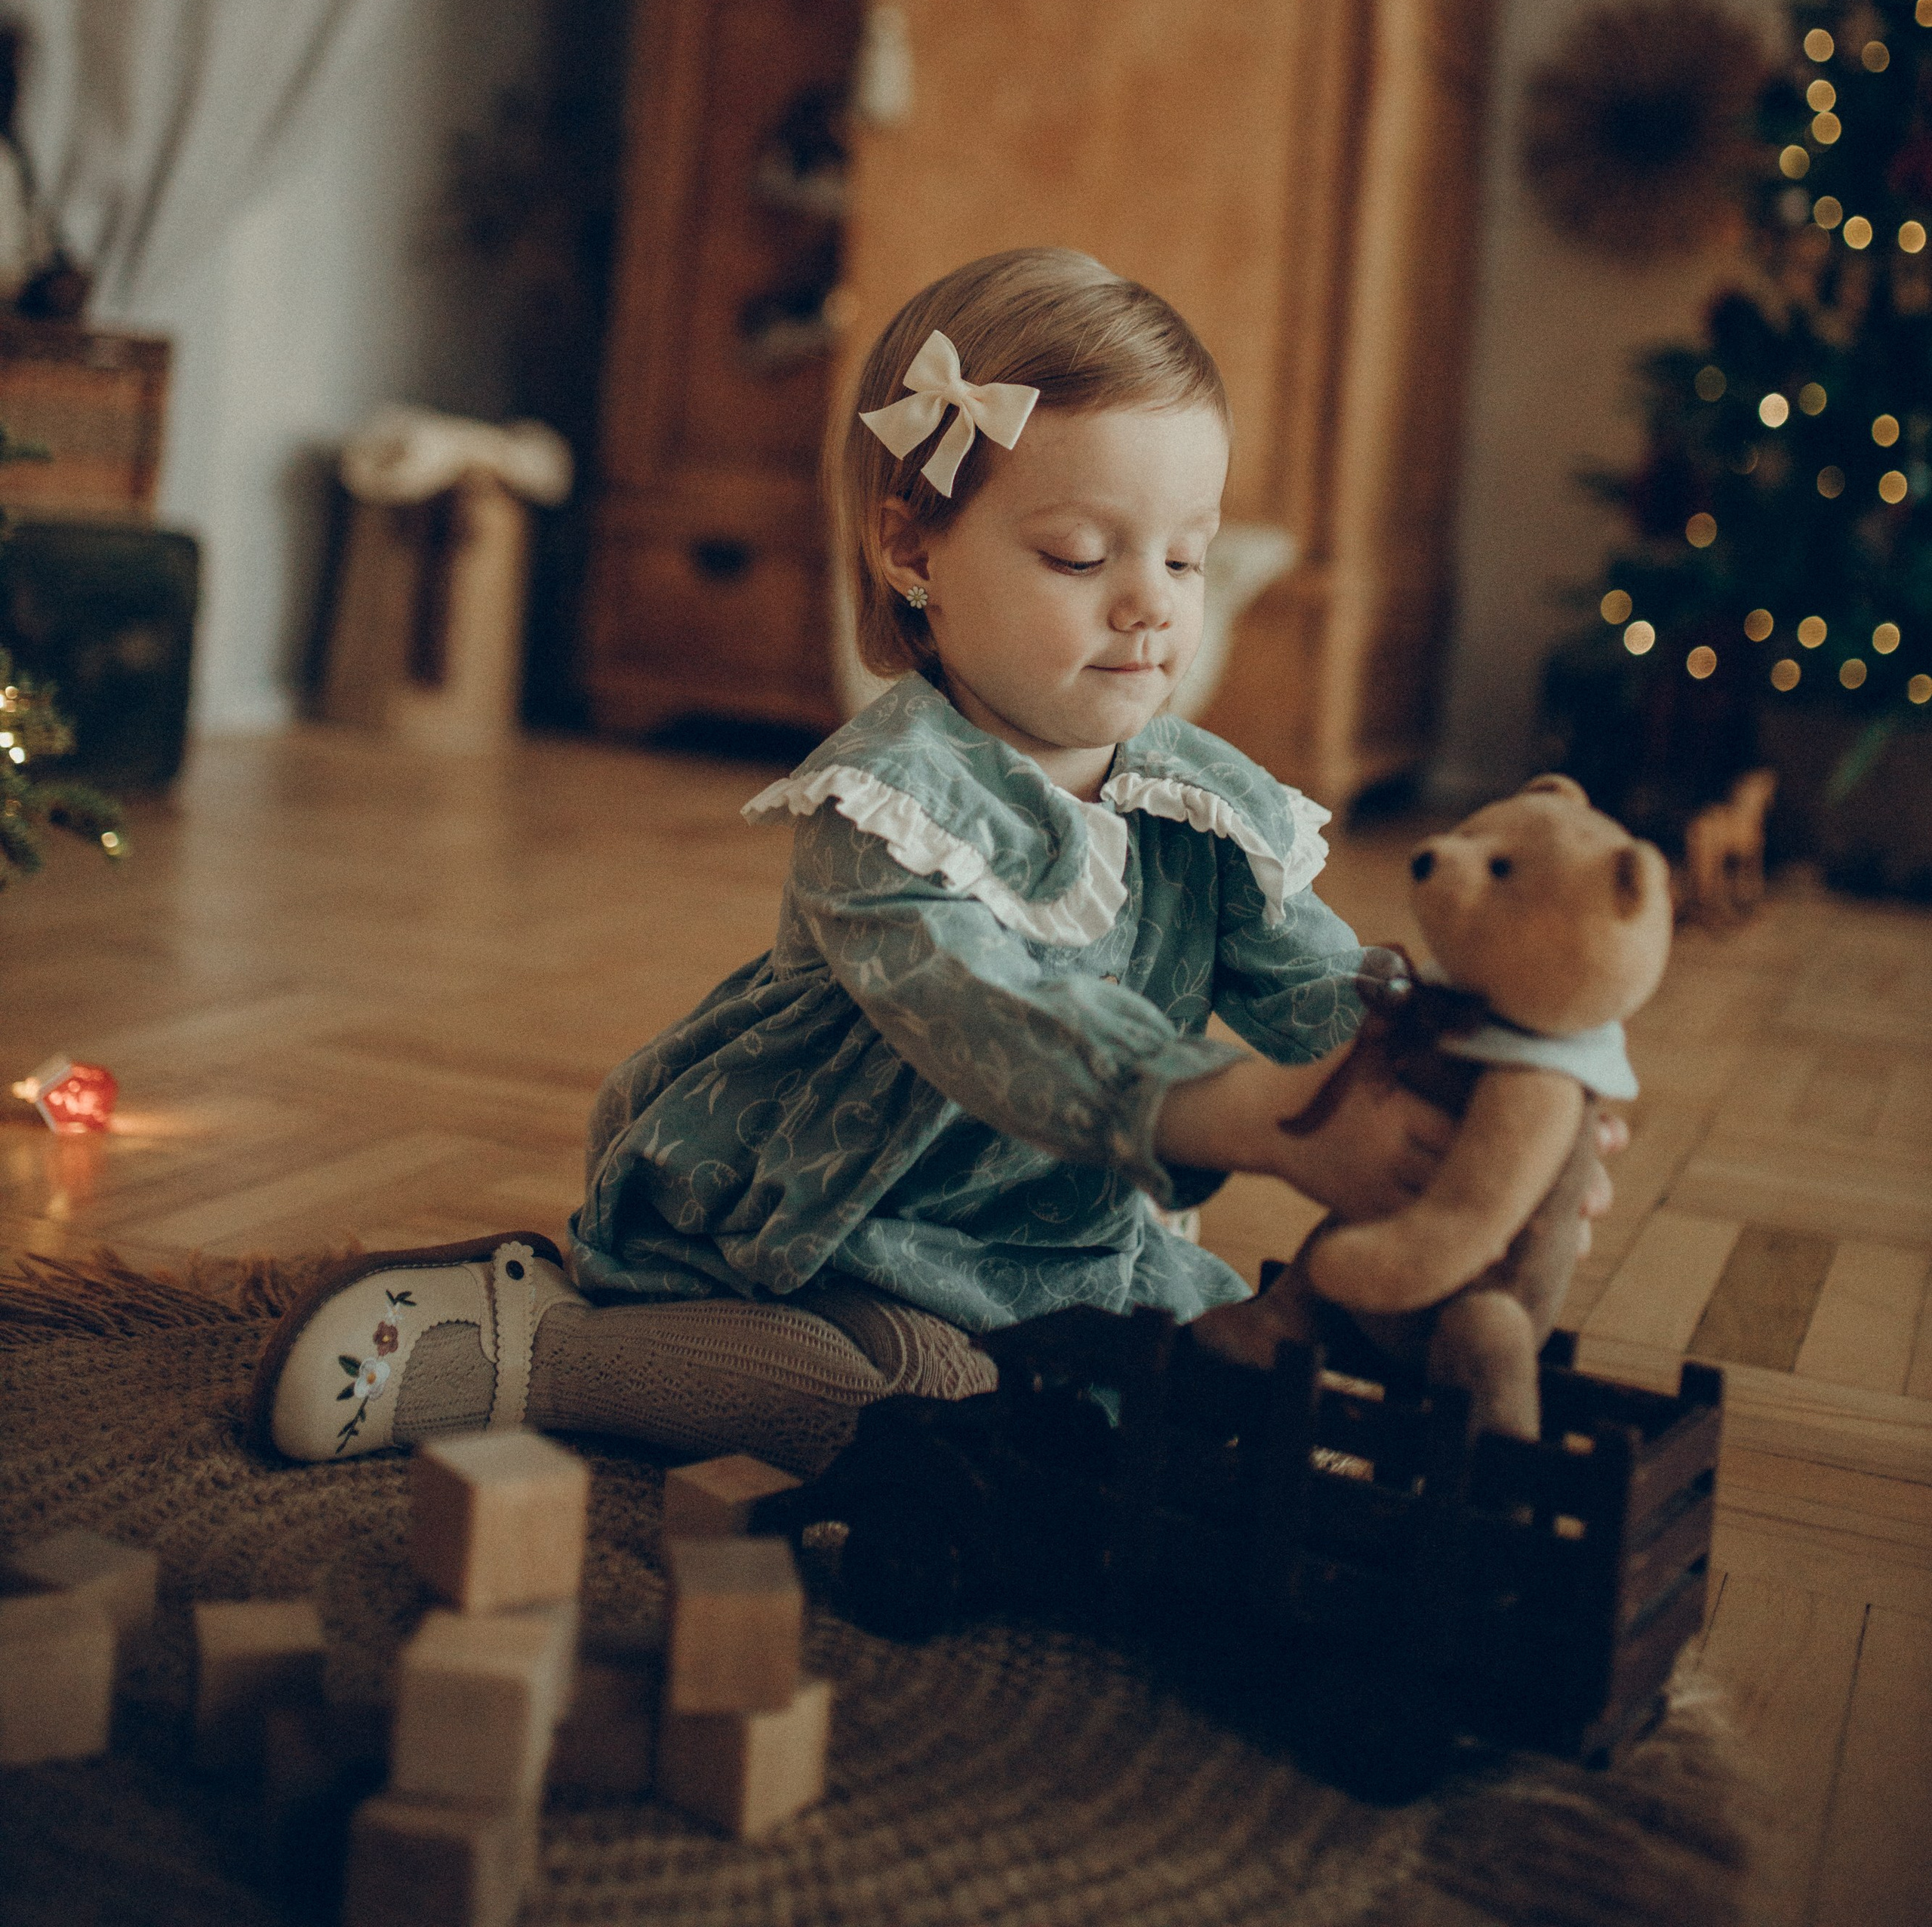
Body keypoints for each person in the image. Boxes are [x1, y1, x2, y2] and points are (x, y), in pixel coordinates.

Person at [254, 248, 1618, 1474]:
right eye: (1084, 554)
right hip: (819, 1217)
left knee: (1185, 1389)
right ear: (915, 548)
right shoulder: (886, 800)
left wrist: (1458, 1081)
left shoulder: (1202, 808)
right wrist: (1235, 1114)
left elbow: (1322, 984)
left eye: (1188, 559)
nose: (1153, 602)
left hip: (1052, 1242)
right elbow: (991, 1020)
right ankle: (531, 1347)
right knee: (905, 1400)